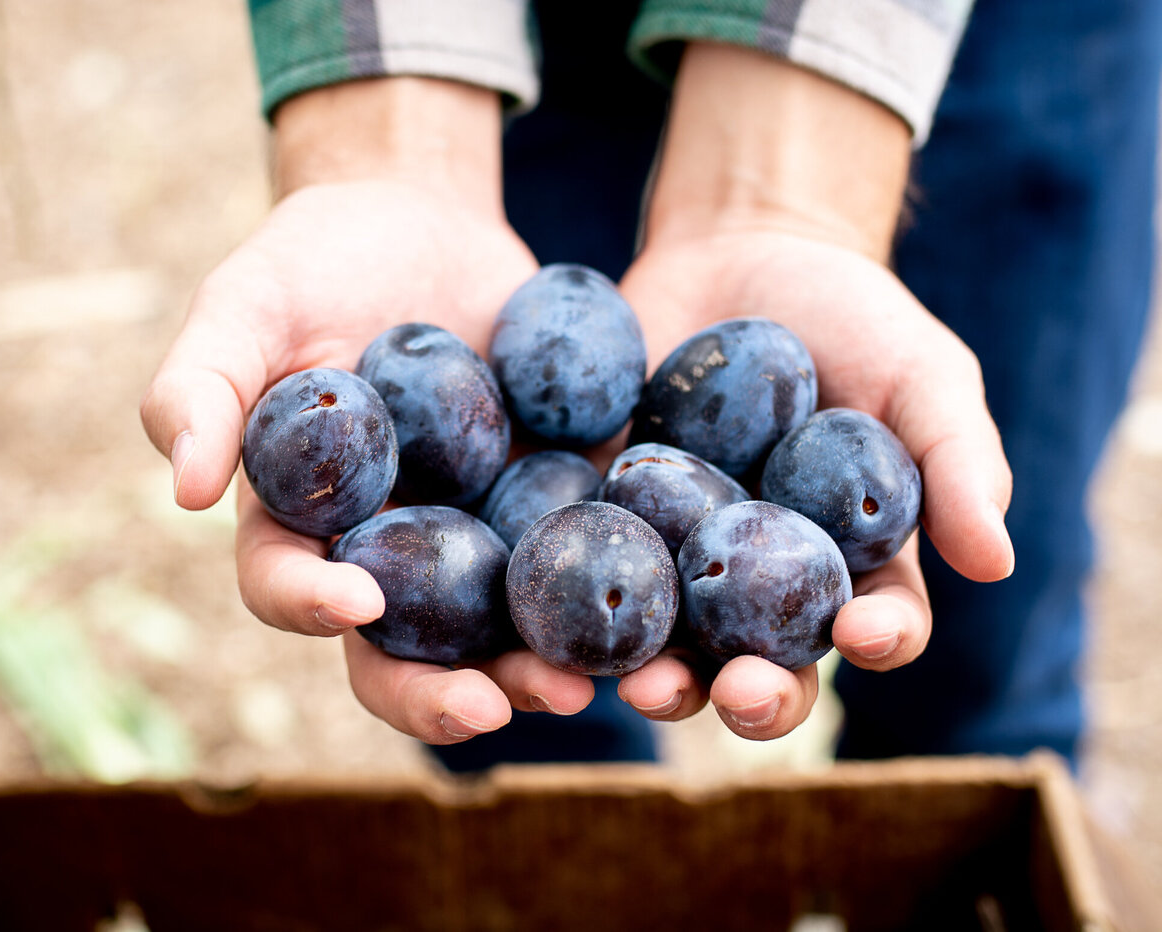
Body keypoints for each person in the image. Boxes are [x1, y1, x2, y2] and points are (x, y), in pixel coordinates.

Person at [140, 1, 1158, 771]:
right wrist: (388, 144)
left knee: (978, 675)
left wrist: (792, 190)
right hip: (531, 38)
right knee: (528, 721)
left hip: (974, 36)